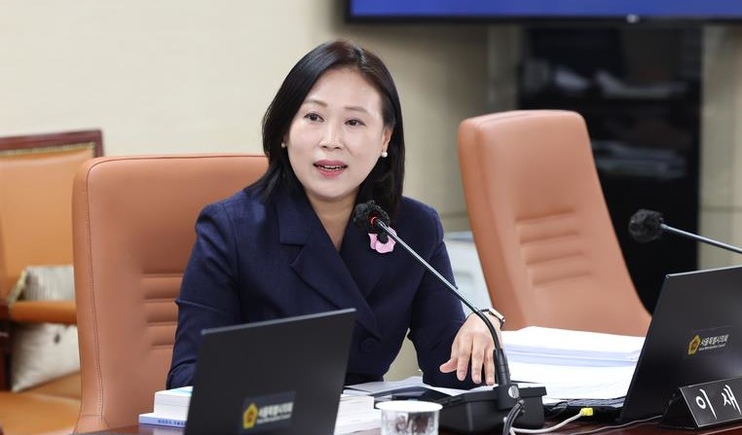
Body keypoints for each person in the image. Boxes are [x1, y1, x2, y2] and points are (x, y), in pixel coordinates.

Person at [167, 39, 503, 390]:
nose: (331, 140)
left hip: (368, 419)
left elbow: (449, 371)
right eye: (313, 117)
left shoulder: (413, 229)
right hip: (269, 417)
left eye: (354, 122)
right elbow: (186, 379)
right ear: (284, 130)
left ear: (384, 139)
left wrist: (482, 327)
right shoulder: (231, 230)